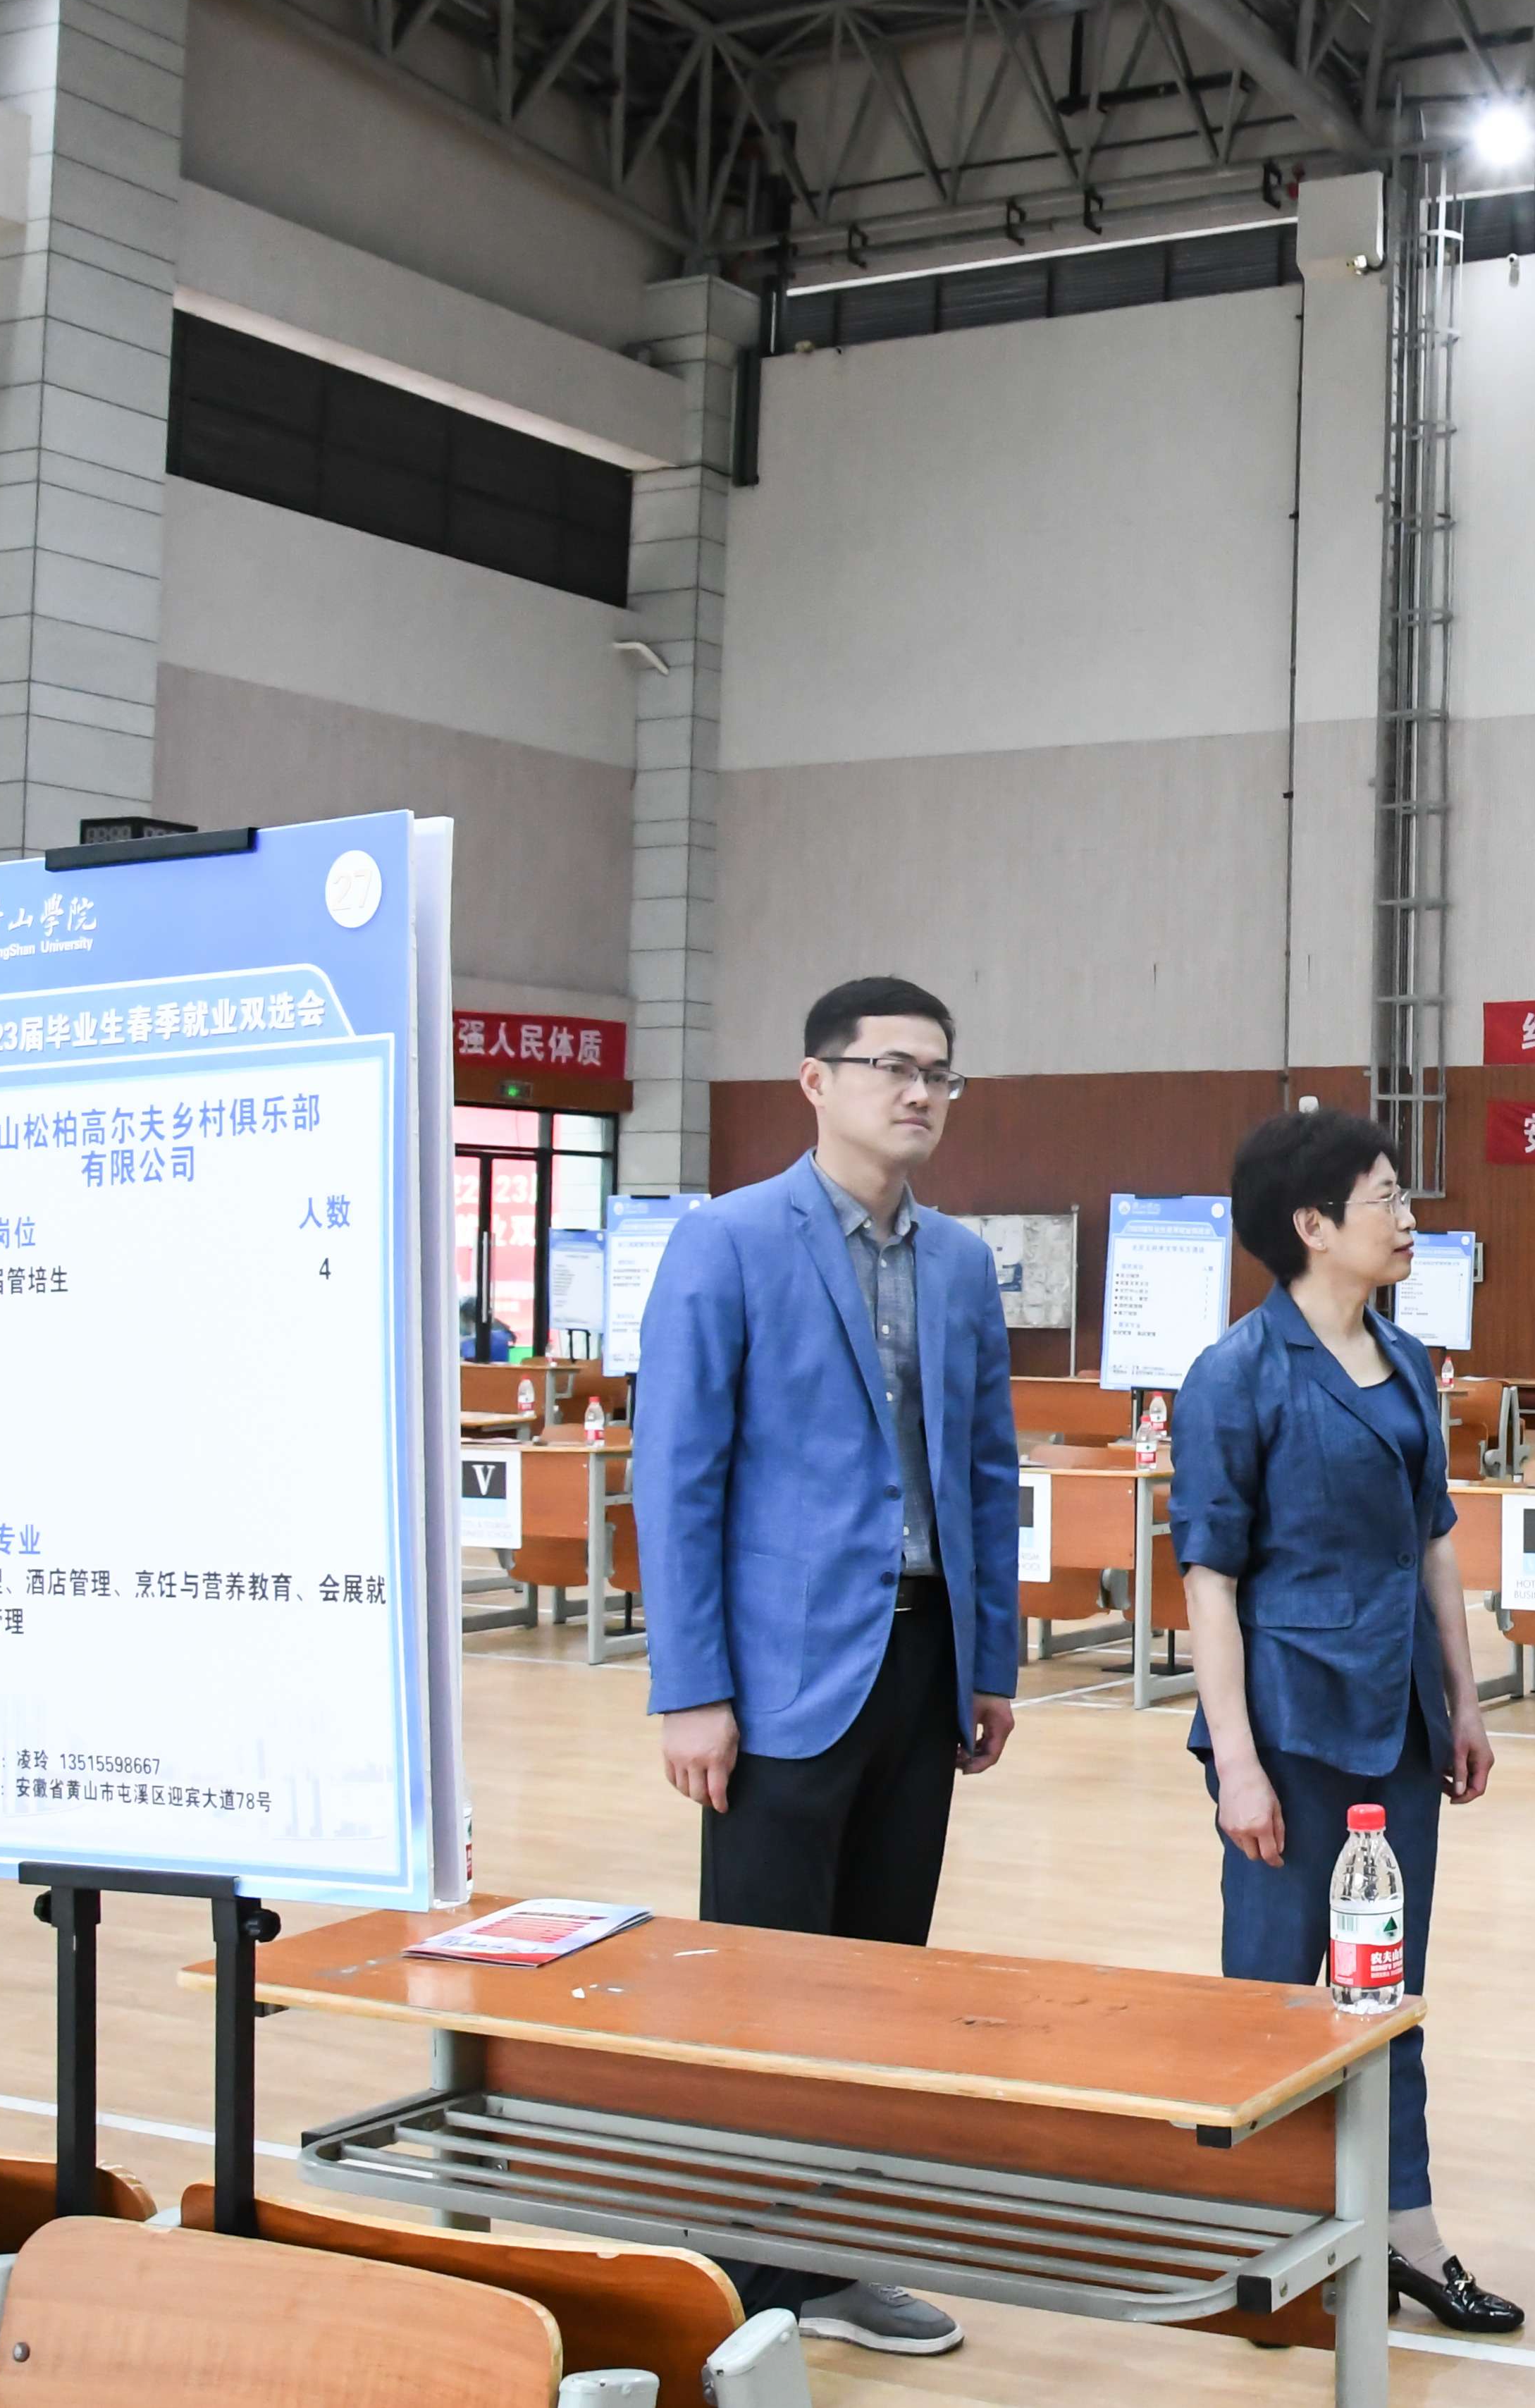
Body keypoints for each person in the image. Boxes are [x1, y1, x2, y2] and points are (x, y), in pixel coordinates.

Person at [635, 974, 1020, 2357]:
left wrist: (992, 1661)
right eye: (891, 1066)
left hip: (924, 1664)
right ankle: (743, 2278)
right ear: (817, 1081)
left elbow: (984, 1470)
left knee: (880, 1981)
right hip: (778, 1676)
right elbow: (676, 1475)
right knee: (762, 1984)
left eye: (939, 1072)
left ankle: (841, 2257)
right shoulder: (730, 1242)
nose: (918, 1092)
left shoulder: (959, 1263)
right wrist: (690, 1688)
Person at [1169, 1109, 1520, 2335]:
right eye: (1386, 1197)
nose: (1409, 1216)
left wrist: (1465, 1700)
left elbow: (1436, 1545)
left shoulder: (1408, 1359)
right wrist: (1238, 1765)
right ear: (1312, 1224)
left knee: (1388, 1992)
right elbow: (1210, 1581)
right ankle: (1257, 2247)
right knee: (1271, 1999)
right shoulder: (1235, 1374)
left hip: (1401, 1725)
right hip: (1288, 1727)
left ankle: (1407, 2233)